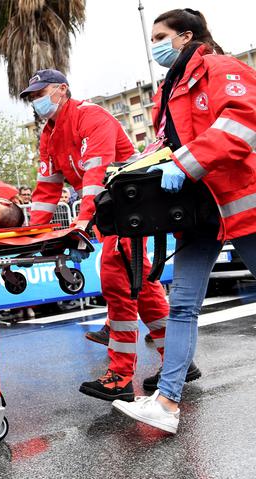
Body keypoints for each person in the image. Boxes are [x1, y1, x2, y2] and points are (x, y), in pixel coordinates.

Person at [112, 8, 256, 434]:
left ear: (185, 36)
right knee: (182, 306)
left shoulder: (220, 68)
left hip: (243, 208)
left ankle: (168, 400)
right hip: (201, 213)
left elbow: (243, 124)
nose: (154, 43)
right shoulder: (169, 90)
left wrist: (186, 163)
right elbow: (165, 146)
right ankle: (167, 403)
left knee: (183, 307)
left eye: (161, 35)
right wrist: (129, 171)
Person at [20, 69, 200, 403]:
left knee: (118, 281)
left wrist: (82, 222)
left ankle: (119, 376)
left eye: (39, 93)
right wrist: (35, 233)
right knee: (141, 285)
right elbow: (47, 189)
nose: (35, 101)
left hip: (130, 206)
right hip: (111, 211)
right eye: (31, 97)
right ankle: (178, 362)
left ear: (62, 89)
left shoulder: (92, 117)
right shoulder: (49, 133)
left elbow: (96, 174)